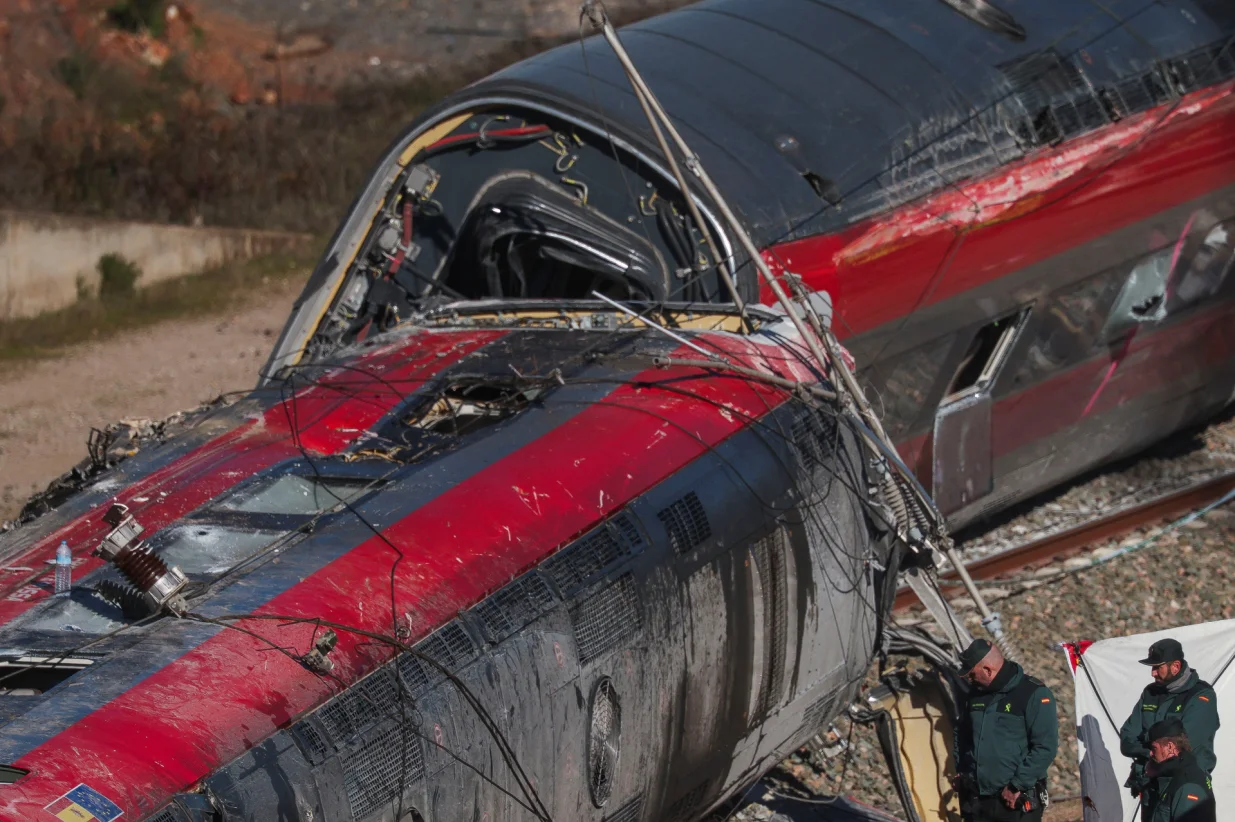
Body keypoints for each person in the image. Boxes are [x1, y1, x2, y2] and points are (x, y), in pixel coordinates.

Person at [953, 638, 1059, 821]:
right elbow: (961, 735)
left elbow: (1045, 747)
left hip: (1013, 800)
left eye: (972, 675)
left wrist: (1016, 786)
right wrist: (961, 769)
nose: (969, 680)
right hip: (978, 801)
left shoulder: (1033, 694)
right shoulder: (974, 695)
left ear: (988, 670)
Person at [1120, 638, 1219, 818]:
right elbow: (1127, 738)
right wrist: (1153, 751)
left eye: (1158, 667)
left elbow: (1183, 746)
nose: (1153, 673)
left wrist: (1145, 750)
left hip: (1183, 785)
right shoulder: (1150, 693)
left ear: (1175, 666)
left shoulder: (1201, 696)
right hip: (1151, 785)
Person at [1142, 718, 1216, 822]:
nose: (1151, 753)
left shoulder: (1188, 784)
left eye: (1154, 748)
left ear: (1170, 747)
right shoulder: (1170, 776)